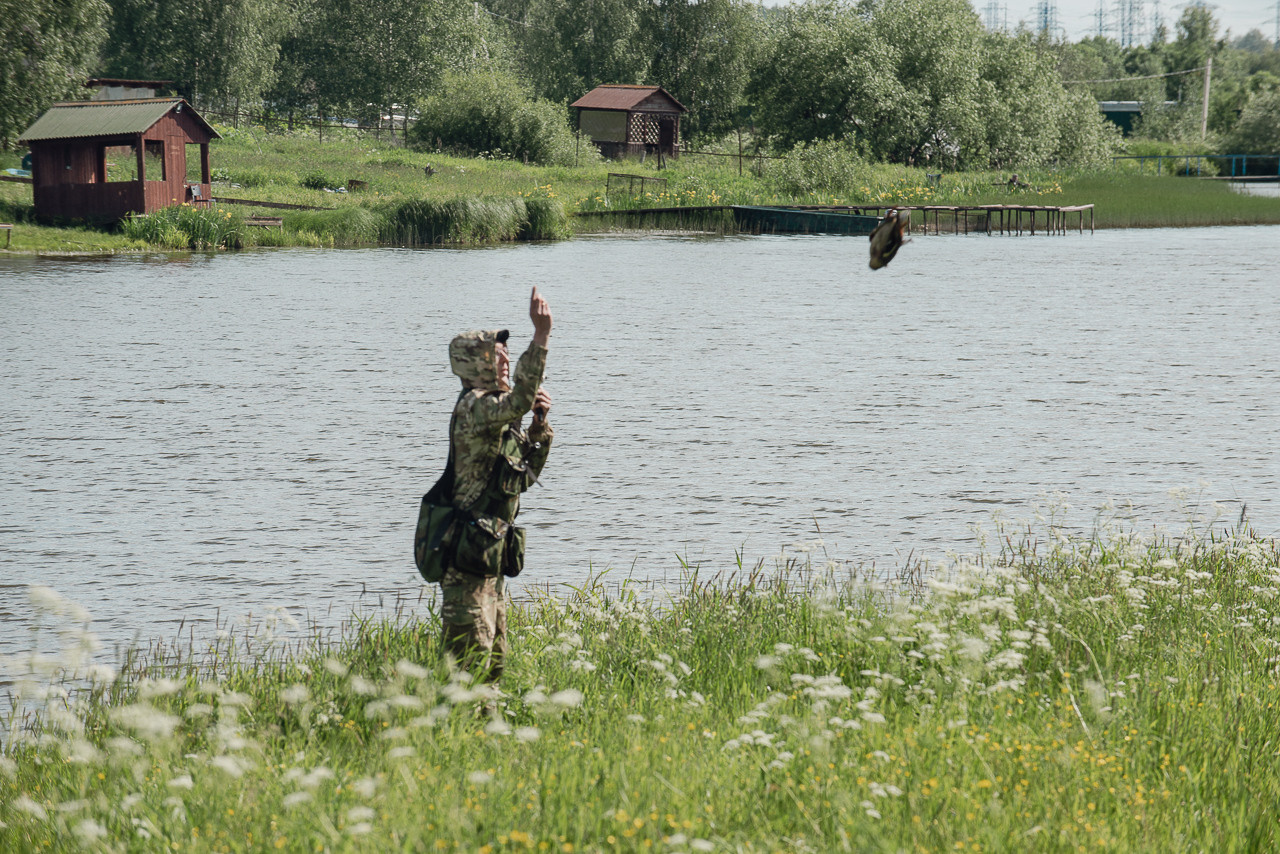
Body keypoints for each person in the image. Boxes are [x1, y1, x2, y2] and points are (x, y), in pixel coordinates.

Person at [440, 286, 553, 683]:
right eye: (497, 356)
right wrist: (541, 335)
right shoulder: (475, 407)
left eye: (507, 356)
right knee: (467, 676)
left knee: (493, 670)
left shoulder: (499, 418)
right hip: (466, 571)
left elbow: (523, 480)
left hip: (489, 563)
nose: (505, 363)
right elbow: (518, 398)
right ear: (474, 365)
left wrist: (539, 427)